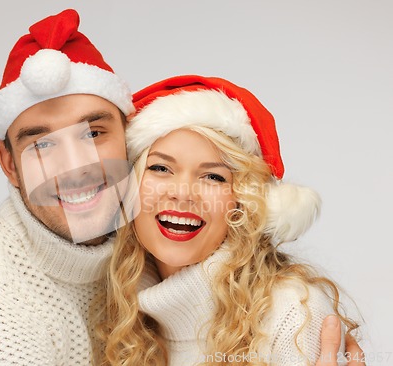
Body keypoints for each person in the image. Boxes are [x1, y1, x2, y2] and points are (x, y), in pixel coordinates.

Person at [0, 9, 363, 366]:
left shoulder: (287, 312)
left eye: (94, 133)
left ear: (125, 137)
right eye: (42, 145)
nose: (76, 168)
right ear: (8, 165)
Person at [102, 75, 364, 366]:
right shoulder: (118, 315)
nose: (183, 194)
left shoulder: (292, 312)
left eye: (213, 176)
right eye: (161, 168)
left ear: (243, 200)